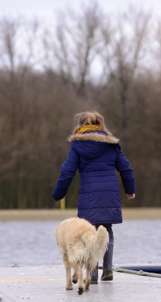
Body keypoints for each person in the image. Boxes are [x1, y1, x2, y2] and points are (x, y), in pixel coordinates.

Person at [52, 111, 135, 282]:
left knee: (89, 231)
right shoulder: (112, 145)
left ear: (81, 125)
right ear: (101, 125)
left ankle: (92, 273)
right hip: (109, 195)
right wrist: (130, 189)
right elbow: (126, 168)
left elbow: (67, 171)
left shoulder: (77, 146)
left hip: (89, 195)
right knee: (107, 230)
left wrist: (59, 193)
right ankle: (108, 269)